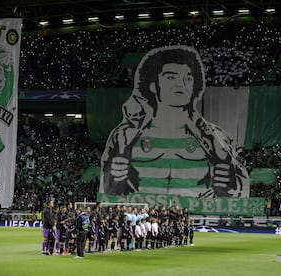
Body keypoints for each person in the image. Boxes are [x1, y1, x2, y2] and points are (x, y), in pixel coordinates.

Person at [100, 45, 249, 198]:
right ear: (153, 84)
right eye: (171, 77)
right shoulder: (124, 135)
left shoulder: (215, 136)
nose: (181, 84)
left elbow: (239, 182)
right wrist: (115, 179)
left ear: (194, 85)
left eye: (188, 78)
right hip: (143, 211)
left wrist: (231, 184)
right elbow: (109, 184)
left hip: (196, 213)